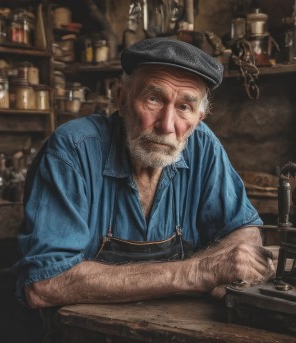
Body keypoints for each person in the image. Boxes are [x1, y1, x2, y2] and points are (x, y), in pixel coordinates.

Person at [15, 37, 275, 308]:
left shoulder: (203, 146)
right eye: (153, 99)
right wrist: (200, 272)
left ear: (199, 119)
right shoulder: (73, 150)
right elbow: (44, 283)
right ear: (122, 99)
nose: (166, 125)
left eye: (184, 107)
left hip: (175, 327)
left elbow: (245, 233)